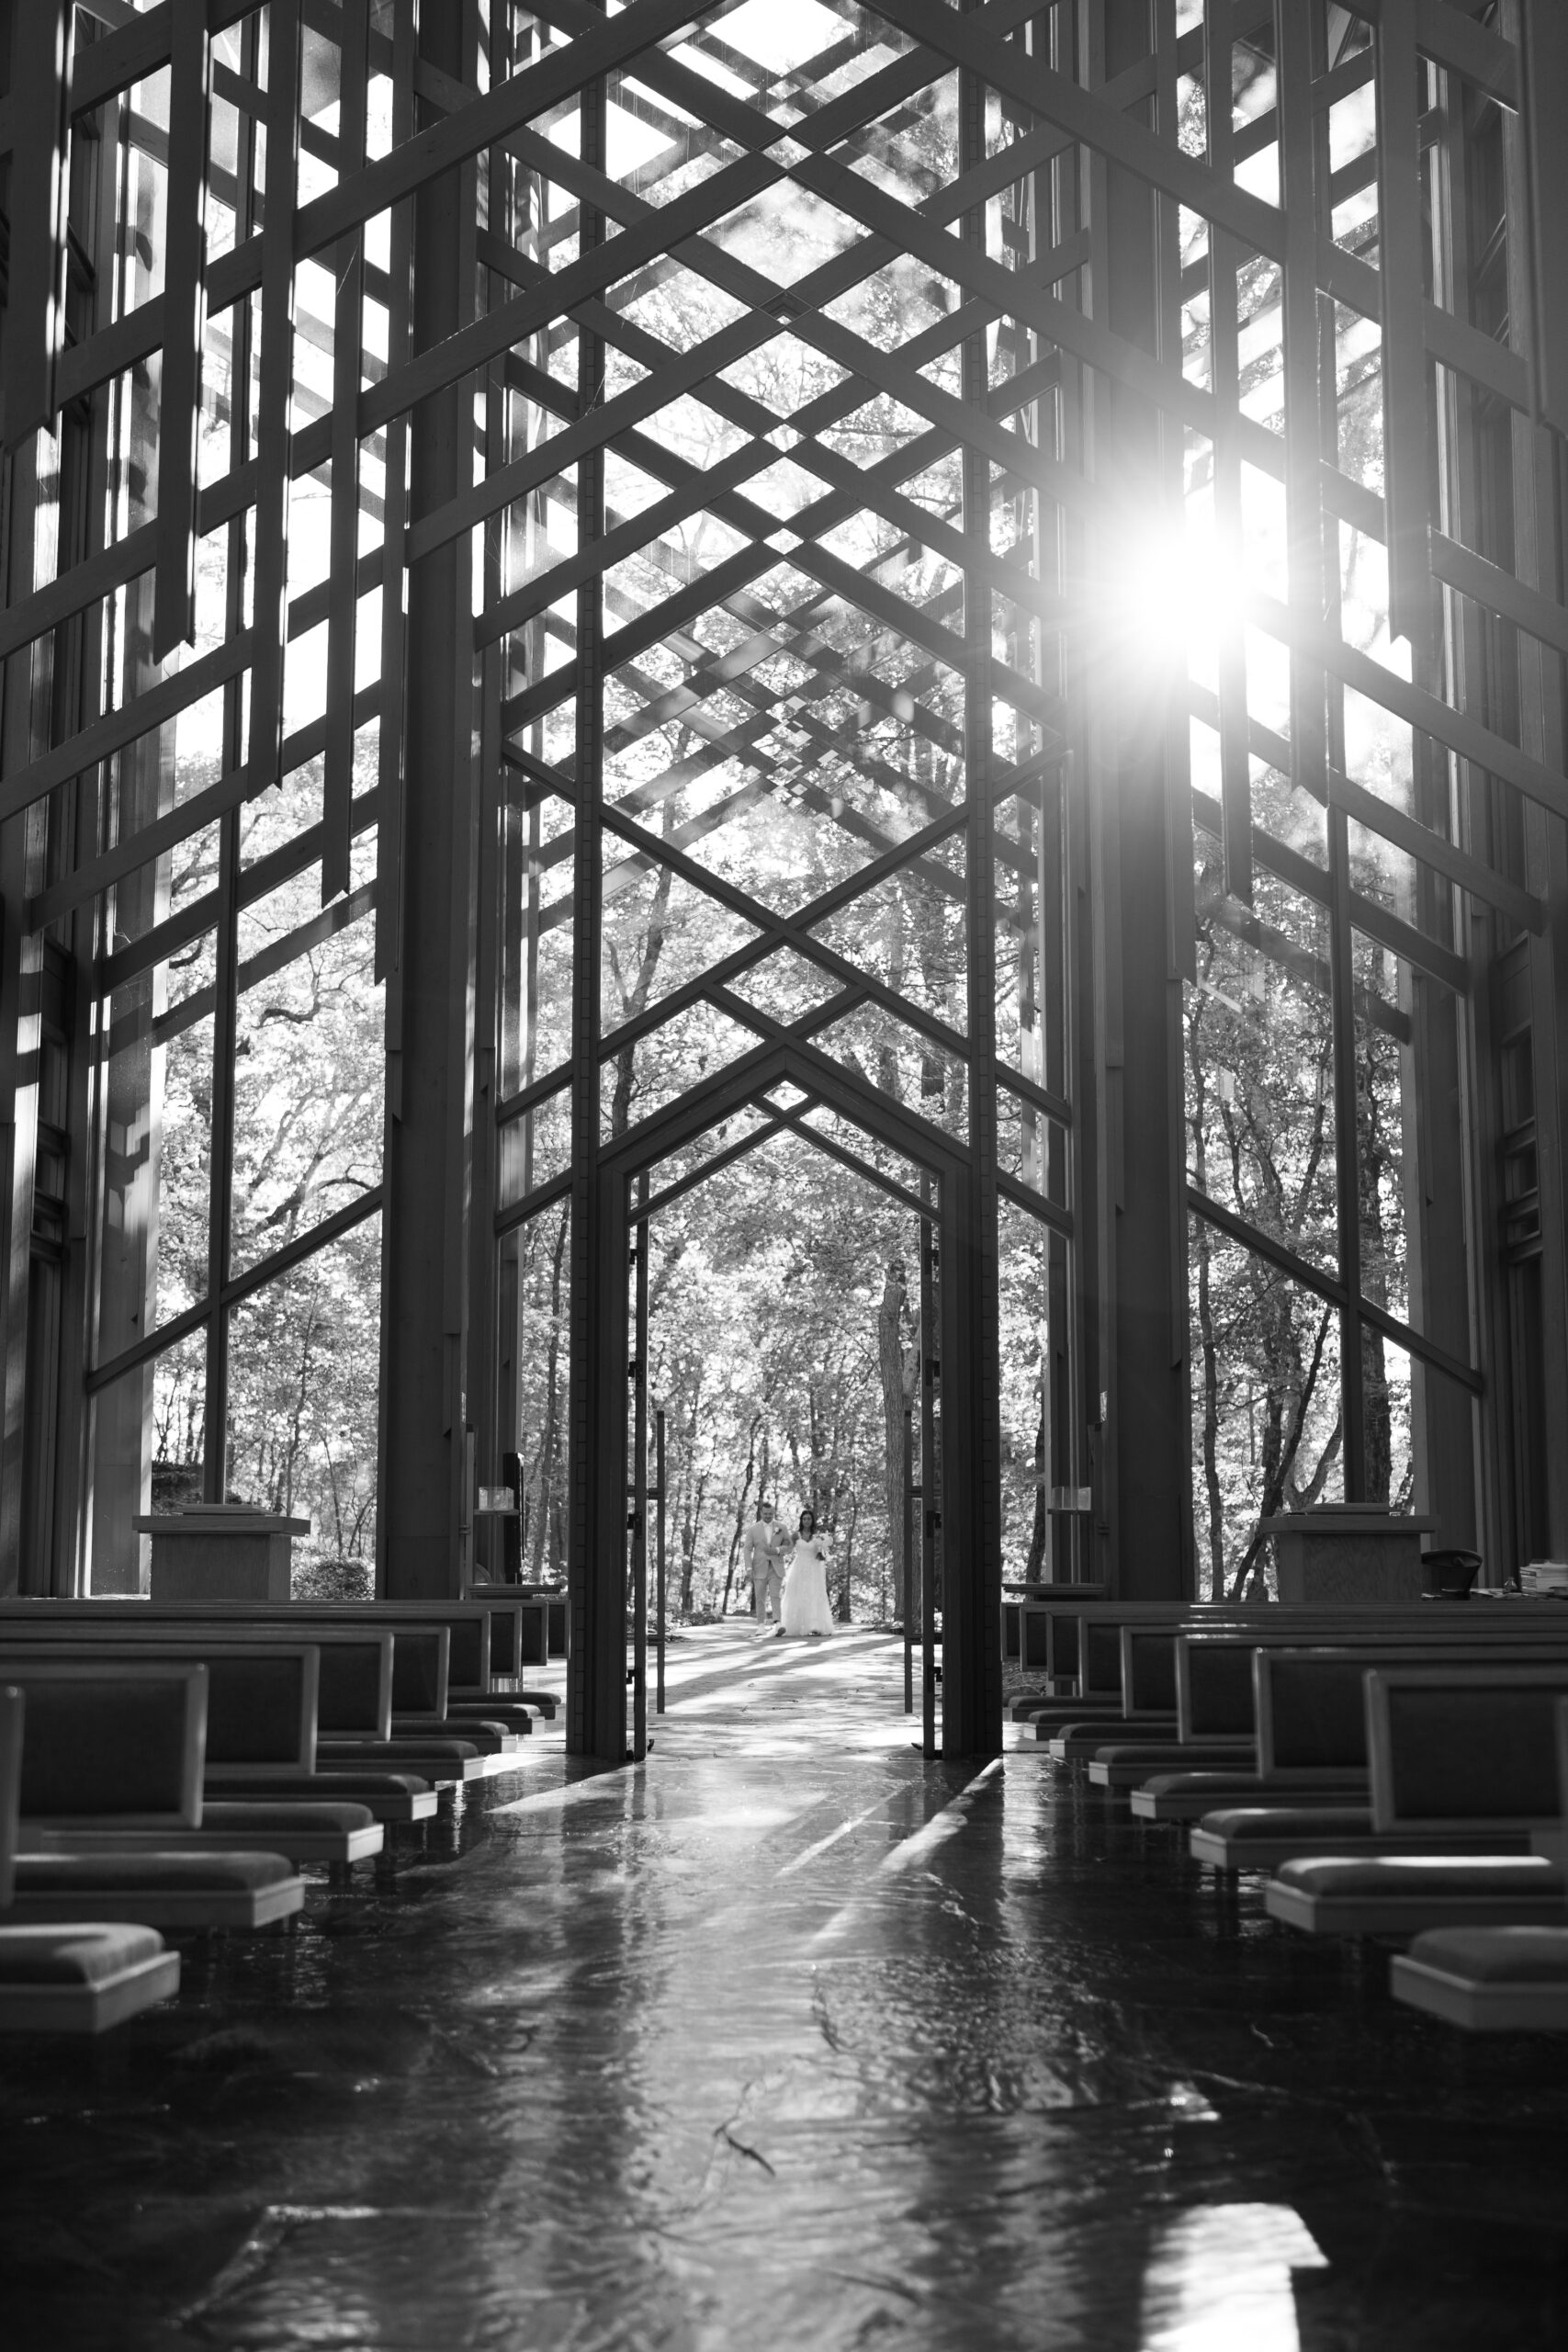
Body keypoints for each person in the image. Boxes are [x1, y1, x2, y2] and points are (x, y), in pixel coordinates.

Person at [779, 1507, 835, 1638]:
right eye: (804, 1519)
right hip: (799, 1568)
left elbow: (822, 1554)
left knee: (814, 1594)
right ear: (801, 1521)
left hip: (814, 1569)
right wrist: (777, 1550)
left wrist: (822, 1551)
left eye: (809, 1518)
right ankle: (797, 1626)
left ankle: (816, 1626)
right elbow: (788, 1550)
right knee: (798, 1595)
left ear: (812, 1520)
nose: (806, 1521)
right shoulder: (796, 1535)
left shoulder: (818, 1537)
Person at [741, 1500, 783, 1630]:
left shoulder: (782, 1528)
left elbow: (789, 1545)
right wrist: (748, 1568)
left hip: (776, 1567)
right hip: (759, 1568)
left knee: (775, 1595)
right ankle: (760, 1625)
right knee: (760, 1597)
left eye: (770, 1514)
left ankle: (777, 1624)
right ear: (761, 1513)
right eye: (765, 1514)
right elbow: (747, 1549)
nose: (768, 1516)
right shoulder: (753, 1530)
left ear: (774, 1513)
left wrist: (778, 1550)